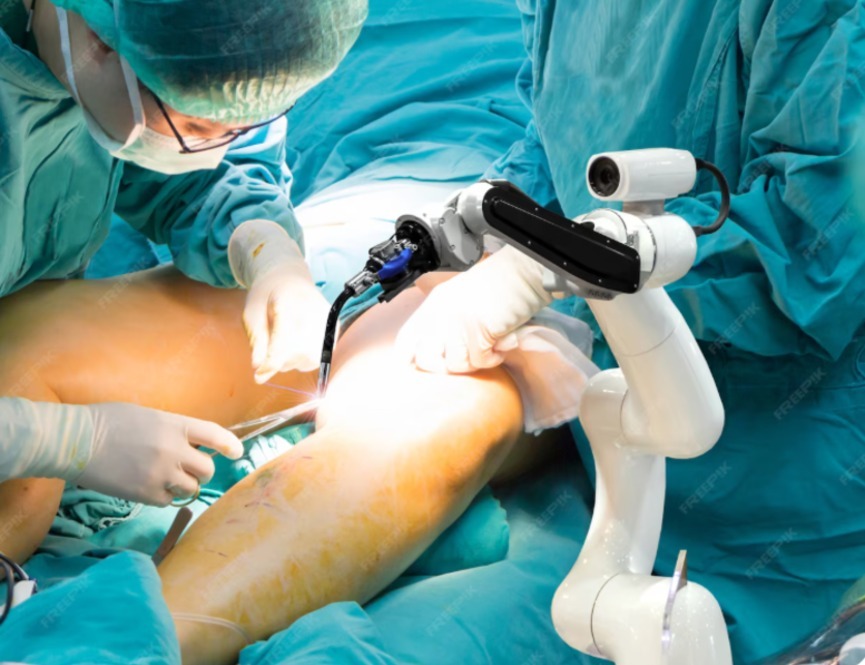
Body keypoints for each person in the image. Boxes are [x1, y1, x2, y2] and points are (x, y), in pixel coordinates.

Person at [396, 0, 865, 661]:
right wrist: (488, 224)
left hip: (784, 498)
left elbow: (814, 242)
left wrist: (552, 266)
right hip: (615, 464)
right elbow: (556, 138)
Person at [0, 0, 366, 512]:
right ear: (99, 42)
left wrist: (265, 249)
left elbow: (183, 183)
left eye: (237, 128)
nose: (215, 147)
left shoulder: (93, 66)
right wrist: (66, 439)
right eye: (194, 128)